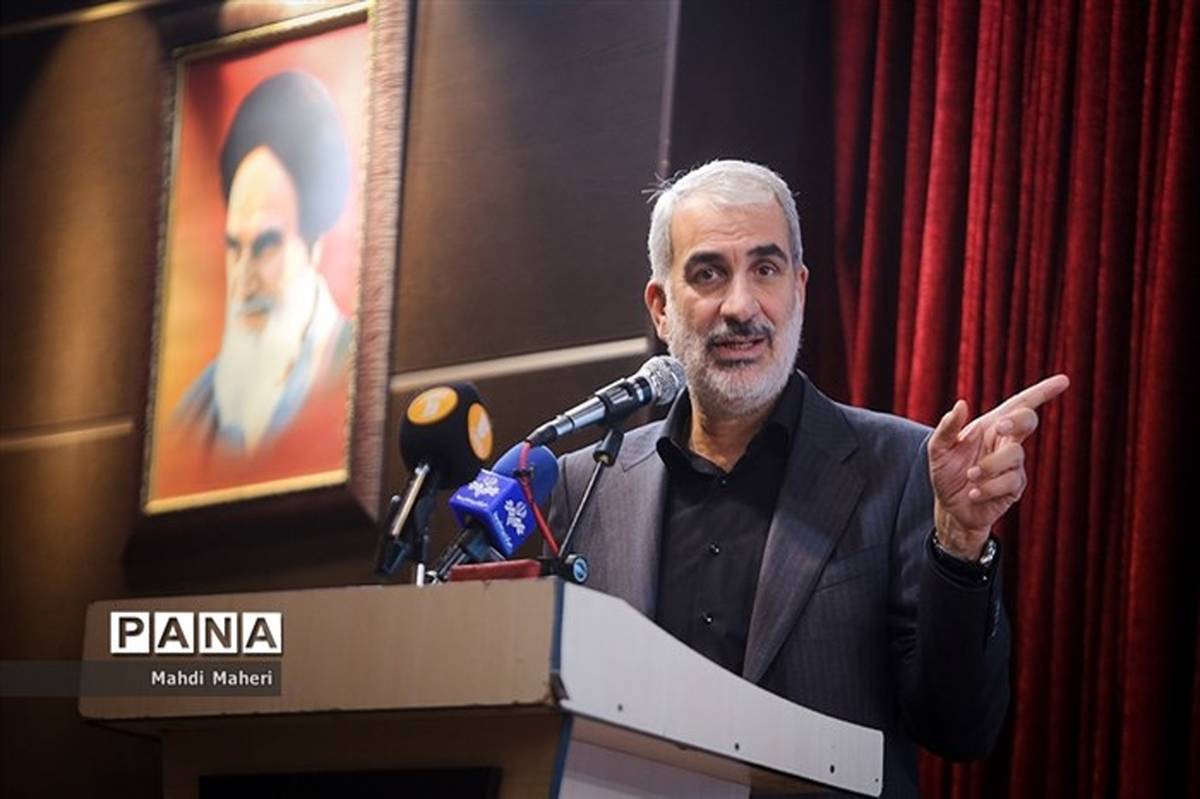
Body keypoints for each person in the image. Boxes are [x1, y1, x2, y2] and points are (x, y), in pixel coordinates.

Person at [547, 160, 1069, 797]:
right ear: (661, 308)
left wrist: (960, 544)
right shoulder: (585, 486)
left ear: (798, 289)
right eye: (708, 274)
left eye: (765, 270)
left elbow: (960, 729)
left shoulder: (905, 466)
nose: (741, 307)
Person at [174, 70, 354, 454]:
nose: (243, 283)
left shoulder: (353, 369)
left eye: (265, 246)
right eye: (234, 249)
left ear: (313, 243)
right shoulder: (195, 413)